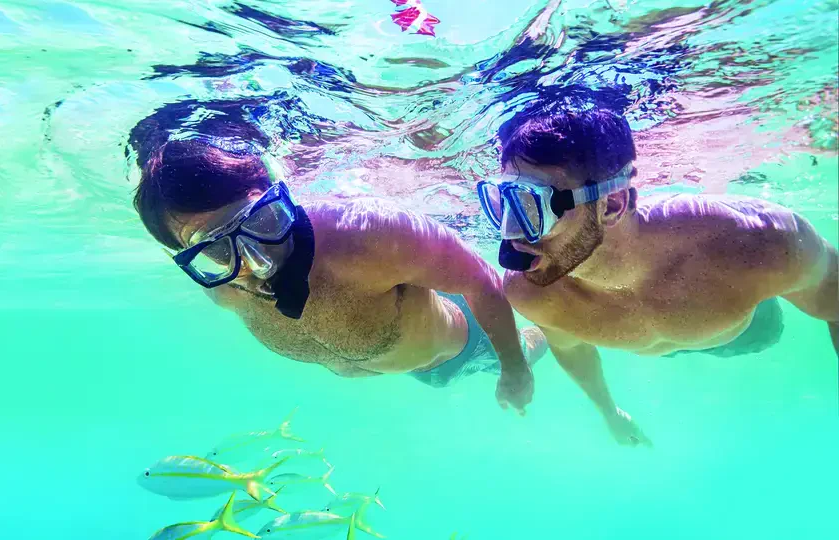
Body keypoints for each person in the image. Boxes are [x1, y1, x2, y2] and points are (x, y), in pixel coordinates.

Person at [476, 100, 838, 445]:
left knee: (769, 336)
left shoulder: (759, 243)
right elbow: (571, 347)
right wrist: (609, 412)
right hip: (672, 339)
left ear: (613, 204)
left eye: (532, 207)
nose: (511, 243)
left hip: (741, 333)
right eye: (502, 203)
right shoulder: (533, 291)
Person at [131, 133, 549, 411]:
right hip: (415, 364)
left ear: (281, 195)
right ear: (188, 253)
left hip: (467, 344)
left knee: (540, 341)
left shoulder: (367, 234)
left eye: (260, 221)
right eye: (217, 246)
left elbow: (480, 280)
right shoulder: (223, 288)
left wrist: (515, 367)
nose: (258, 261)